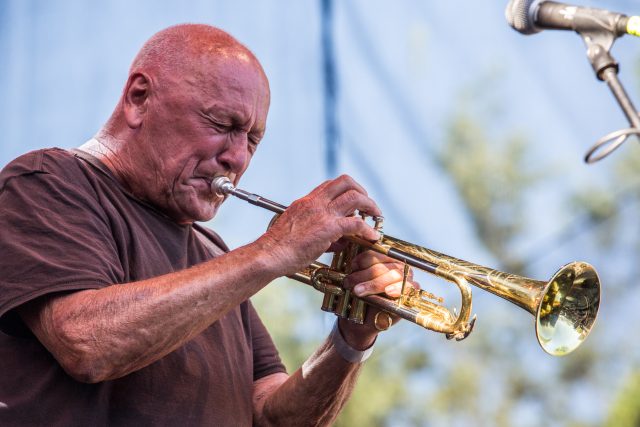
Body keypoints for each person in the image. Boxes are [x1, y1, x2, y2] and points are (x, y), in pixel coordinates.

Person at [0, 24, 414, 426]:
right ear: (139, 98)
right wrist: (274, 251)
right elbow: (86, 344)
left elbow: (271, 416)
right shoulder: (46, 181)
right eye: (222, 125)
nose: (237, 159)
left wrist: (351, 338)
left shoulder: (214, 253)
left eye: (252, 140)